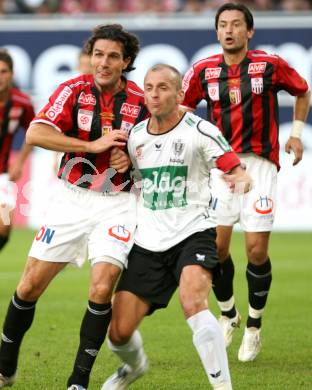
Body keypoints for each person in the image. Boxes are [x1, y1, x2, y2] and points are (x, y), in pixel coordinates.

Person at [0, 24, 148, 390]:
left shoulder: (142, 101)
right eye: (98, 54)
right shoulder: (73, 90)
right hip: (71, 199)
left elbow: (156, 151)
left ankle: (78, 381)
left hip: (119, 203)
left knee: (101, 288)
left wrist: (133, 161)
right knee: (30, 285)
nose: (103, 62)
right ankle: (5, 367)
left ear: (126, 61)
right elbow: (36, 133)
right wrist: (91, 146)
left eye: (113, 56)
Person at [101, 64, 252, 390]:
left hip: (193, 233)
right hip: (148, 242)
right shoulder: (136, 137)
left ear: (180, 94)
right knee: (118, 333)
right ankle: (135, 365)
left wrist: (239, 177)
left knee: (193, 301)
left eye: (163, 88)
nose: (154, 95)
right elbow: (129, 179)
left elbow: (231, 164)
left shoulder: (200, 130)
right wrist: (121, 167)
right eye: (149, 88)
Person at [181, 2, 311, 362]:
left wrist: (296, 134)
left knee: (256, 250)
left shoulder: (269, 65)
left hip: (260, 167)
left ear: (249, 31)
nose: (229, 30)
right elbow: (184, 110)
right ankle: (229, 315)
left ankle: (254, 326)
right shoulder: (203, 71)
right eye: (223, 25)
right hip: (220, 169)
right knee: (217, 250)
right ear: (217, 31)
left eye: (237, 24)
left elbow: (302, 90)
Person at [0, 48, 34, 252]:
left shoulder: (21, 102)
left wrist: (21, 161)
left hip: (3, 174)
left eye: (4, 71)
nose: (0, 76)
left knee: (4, 227)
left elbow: (34, 130)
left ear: (11, 74)